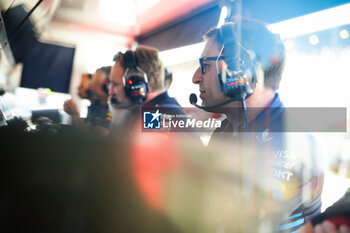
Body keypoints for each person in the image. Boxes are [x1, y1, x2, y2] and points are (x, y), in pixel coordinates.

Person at [191, 18, 324, 232]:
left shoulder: (293, 141)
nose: (195, 78)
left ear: (239, 72)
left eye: (204, 66)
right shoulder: (227, 128)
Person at [108, 45, 184, 132]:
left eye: (115, 84)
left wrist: (117, 123)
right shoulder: (163, 108)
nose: (110, 91)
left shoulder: (155, 117)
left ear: (137, 84)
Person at [64, 67, 112, 135]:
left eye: (96, 84)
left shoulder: (110, 110)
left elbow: (94, 139)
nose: (91, 87)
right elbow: (86, 127)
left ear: (107, 86)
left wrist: (75, 114)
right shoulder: (96, 105)